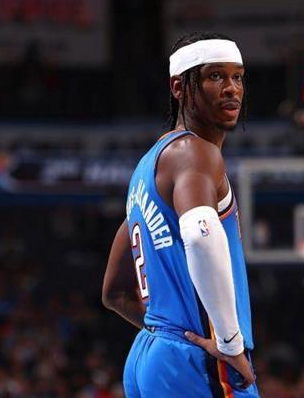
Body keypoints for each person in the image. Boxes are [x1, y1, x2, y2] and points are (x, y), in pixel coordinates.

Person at [102, 31, 258, 397]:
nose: (231, 88)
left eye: (237, 77)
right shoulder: (196, 153)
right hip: (196, 362)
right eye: (215, 76)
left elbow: (114, 292)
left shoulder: (148, 168)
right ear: (179, 87)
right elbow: (200, 236)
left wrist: (166, 332)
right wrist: (230, 343)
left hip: (150, 354)